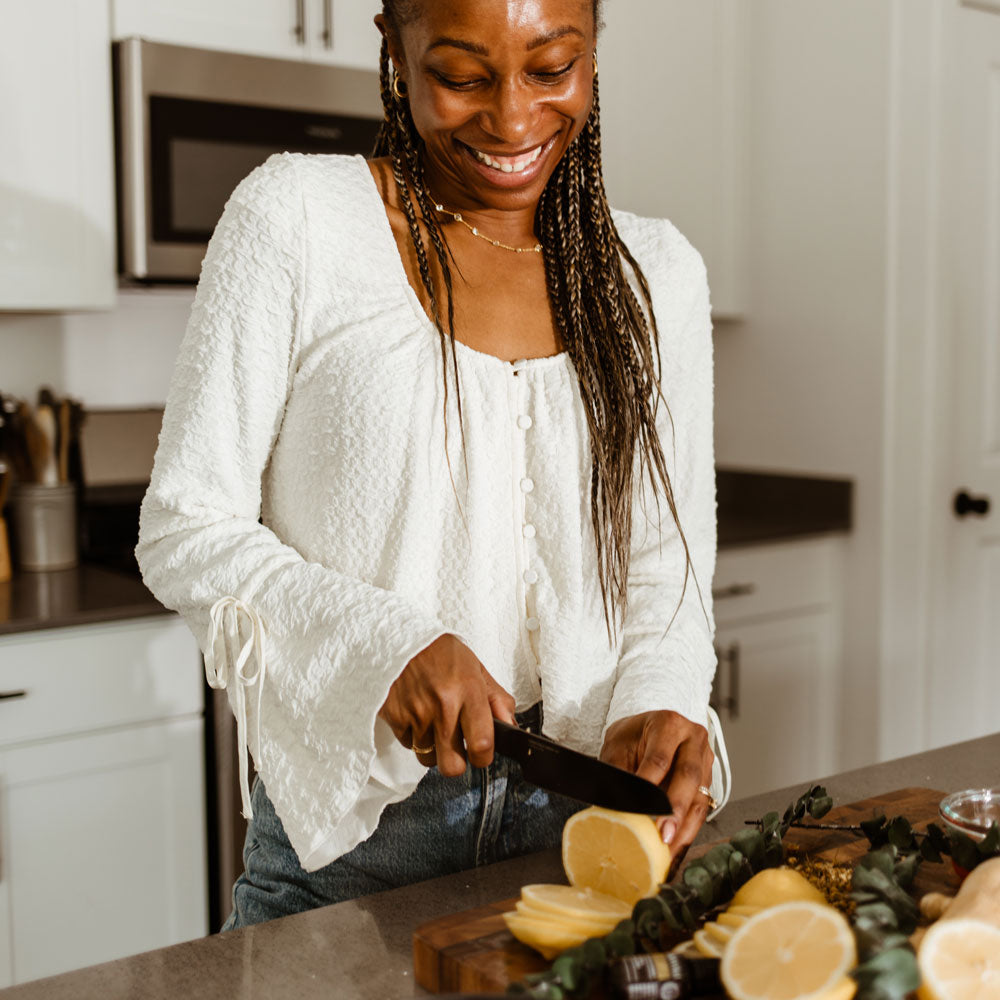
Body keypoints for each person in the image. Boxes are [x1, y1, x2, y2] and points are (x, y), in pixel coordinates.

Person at [136, 0, 731, 931]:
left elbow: (668, 565)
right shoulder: (297, 218)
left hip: (589, 828)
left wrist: (660, 701)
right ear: (395, 49)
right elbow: (185, 528)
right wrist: (387, 647)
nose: (512, 118)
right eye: (461, 75)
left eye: (551, 68)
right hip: (359, 838)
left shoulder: (656, 274)